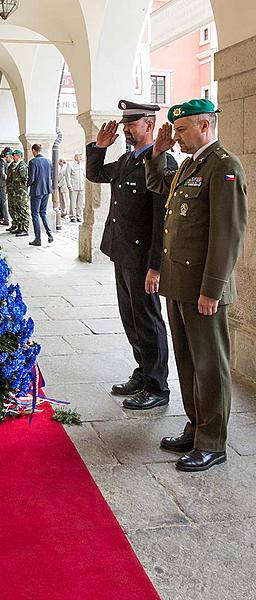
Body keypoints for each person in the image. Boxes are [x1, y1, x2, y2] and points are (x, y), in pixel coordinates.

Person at [145, 98, 247, 472]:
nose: (177, 136)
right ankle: (195, 425)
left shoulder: (224, 167)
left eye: (183, 129)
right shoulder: (191, 165)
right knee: (187, 362)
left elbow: (228, 234)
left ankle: (213, 441)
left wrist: (213, 289)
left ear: (205, 126)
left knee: (210, 365)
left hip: (203, 288)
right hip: (179, 283)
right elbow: (157, 183)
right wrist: (157, 153)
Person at [86, 100, 177, 410]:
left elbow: (161, 220)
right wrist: (99, 147)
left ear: (149, 125)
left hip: (141, 257)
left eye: (131, 124)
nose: (125, 129)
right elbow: (96, 173)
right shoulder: (127, 160)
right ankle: (142, 371)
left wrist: (156, 267)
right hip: (121, 251)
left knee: (148, 319)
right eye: (125, 123)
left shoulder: (162, 163)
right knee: (131, 317)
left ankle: (157, 385)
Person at [27, 143, 53, 246]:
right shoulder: (48, 161)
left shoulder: (33, 162)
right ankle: (49, 232)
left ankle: (38, 239)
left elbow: (31, 178)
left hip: (37, 191)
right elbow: (51, 176)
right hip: (46, 190)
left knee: (35, 214)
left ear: (34, 150)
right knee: (43, 213)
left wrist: (26, 184)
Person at [9, 149, 30, 236]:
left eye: (14, 155)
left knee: (23, 209)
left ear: (18, 156)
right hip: (16, 192)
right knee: (18, 209)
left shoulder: (22, 165)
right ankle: (20, 227)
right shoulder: (16, 165)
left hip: (21, 192)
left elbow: (25, 179)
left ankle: (24, 229)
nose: (13, 157)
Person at [66, 152, 85, 222]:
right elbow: (67, 176)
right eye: (79, 156)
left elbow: (84, 175)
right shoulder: (70, 164)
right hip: (73, 186)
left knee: (80, 203)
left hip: (81, 186)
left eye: (81, 156)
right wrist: (69, 186)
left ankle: (79, 216)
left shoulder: (82, 165)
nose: (81, 157)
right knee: (73, 202)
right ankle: (72, 216)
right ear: (75, 157)